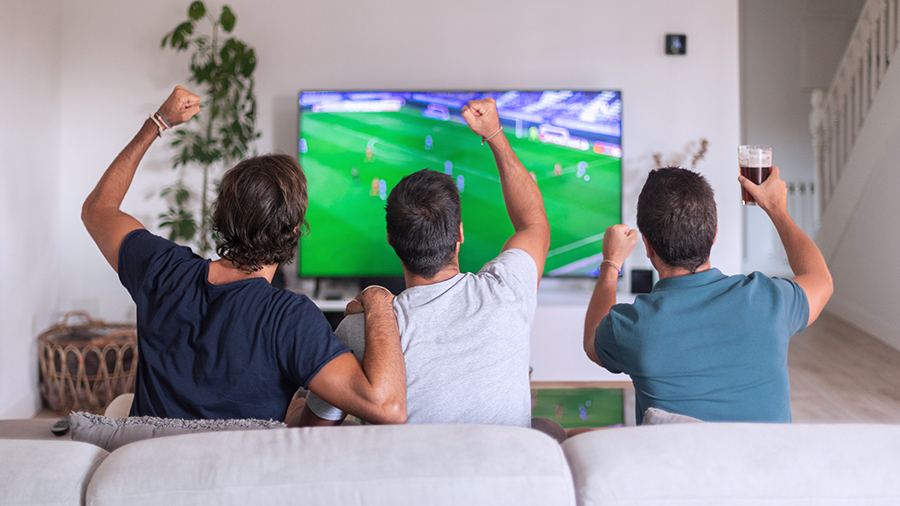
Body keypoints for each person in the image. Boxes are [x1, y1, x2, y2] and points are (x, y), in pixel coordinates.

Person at [82, 86, 406, 424]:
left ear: (220, 216)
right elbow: (388, 408)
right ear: (295, 230)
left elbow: (98, 209)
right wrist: (379, 298)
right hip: (237, 472)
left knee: (121, 405)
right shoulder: (291, 318)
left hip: (149, 463)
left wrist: (158, 122)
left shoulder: (162, 269)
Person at [295, 98, 551, 427]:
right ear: (459, 233)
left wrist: (295, 407)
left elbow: (311, 434)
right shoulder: (510, 290)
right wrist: (494, 134)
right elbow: (534, 224)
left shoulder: (362, 329)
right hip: (505, 474)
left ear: (392, 241)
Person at [583, 166, 833, 425]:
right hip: (767, 464)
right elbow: (821, 280)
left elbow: (592, 340)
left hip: (675, 465)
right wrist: (776, 209)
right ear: (714, 235)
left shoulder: (632, 327)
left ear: (647, 247)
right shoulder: (769, 300)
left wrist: (611, 262)